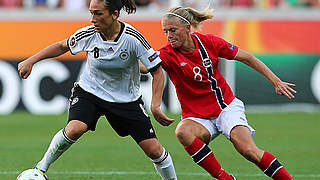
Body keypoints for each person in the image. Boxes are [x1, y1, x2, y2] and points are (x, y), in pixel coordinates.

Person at [17, 0, 177, 180]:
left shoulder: (133, 38)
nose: (92, 19)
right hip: (90, 92)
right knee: (75, 128)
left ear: (114, 14)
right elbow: (62, 46)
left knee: (154, 150)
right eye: (91, 13)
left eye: (98, 14)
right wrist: (31, 60)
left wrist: (155, 106)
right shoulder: (89, 34)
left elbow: (157, 70)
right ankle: (40, 168)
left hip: (126, 99)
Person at [142, 6, 296, 180]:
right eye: (165, 31)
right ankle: (225, 178)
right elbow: (145, 67)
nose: (169, 35)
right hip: (197, 117)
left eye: (173, 30)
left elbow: (247, 57)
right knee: (183, 131)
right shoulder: (167, 53)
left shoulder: (210, 43)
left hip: (225, 108)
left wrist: (276, 81)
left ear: (187, 28)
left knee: (248, 151)